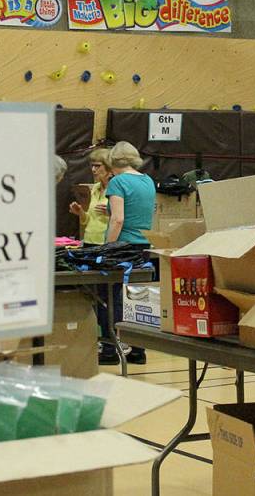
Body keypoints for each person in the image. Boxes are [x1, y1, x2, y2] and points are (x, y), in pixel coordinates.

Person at [99, 141, 155, 365]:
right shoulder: (148, 180)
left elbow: (118, 219)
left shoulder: (118, 182)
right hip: (144, 247)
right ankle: (139, 351)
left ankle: (110, 350)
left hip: (122, 248)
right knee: (138, 299)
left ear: (113, 161)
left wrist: (106, 249)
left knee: (109, 299)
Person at [69, 148, 111, 246]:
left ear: (109, 167)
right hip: (88, 241)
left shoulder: (118, 190)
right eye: (92, 166)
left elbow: (125, 220)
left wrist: (112, 213)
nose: (93, 170)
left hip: (106, 243)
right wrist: (80, 212)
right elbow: (88, 220)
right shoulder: (95, 188)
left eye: (97, 166)